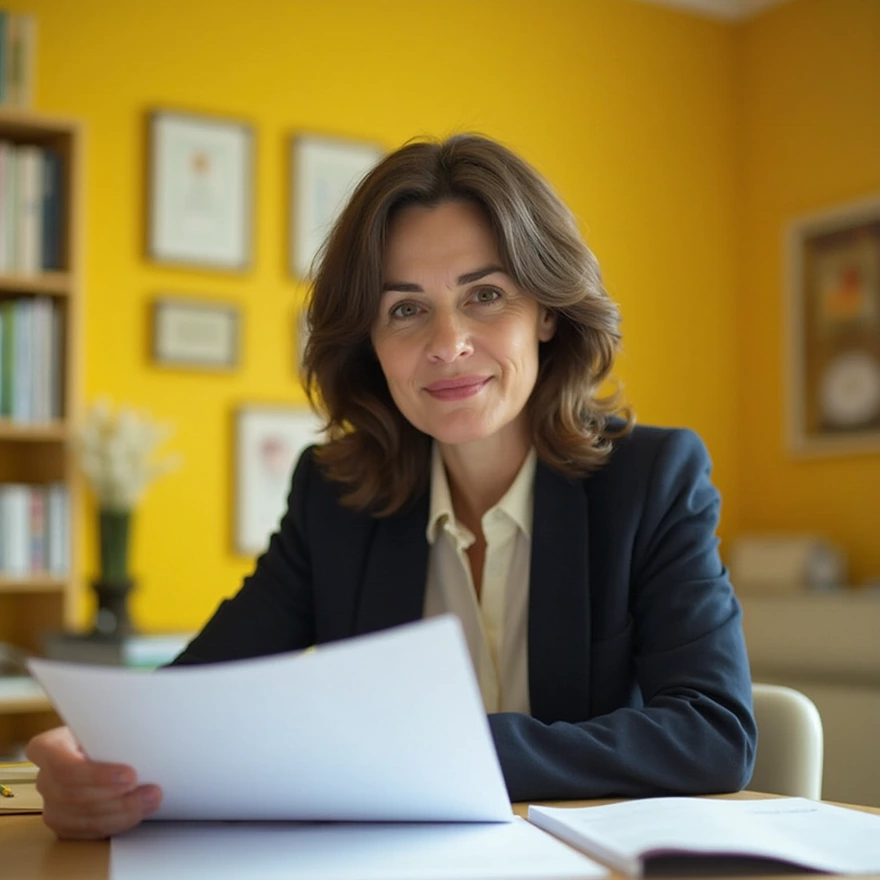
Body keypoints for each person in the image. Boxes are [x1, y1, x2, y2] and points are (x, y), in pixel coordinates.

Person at [26, 133, 757, 839]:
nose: (447, 344)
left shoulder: (653, 480)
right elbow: (182, 709)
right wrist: (86, 755)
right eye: (405, 309)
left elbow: (712, 732)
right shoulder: (334, 499)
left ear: (547, 313)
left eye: (486, 295)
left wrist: (444, 753)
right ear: (370, 345)